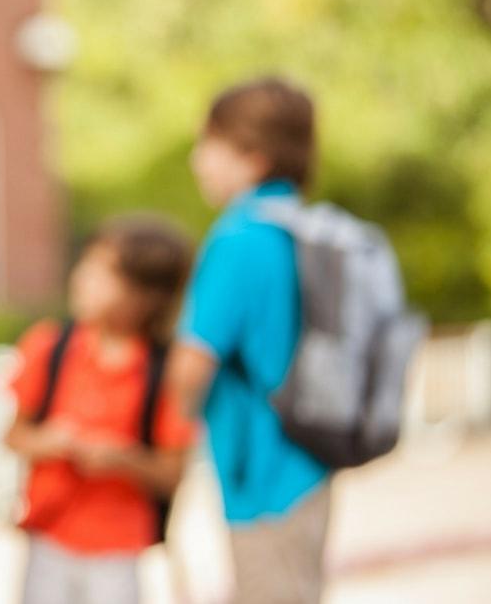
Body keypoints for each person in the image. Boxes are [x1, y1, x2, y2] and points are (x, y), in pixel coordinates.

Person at [167, 77, 331, 604]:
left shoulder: (239, 237)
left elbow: (190, 366)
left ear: (254, 157)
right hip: (306, 462)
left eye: (208, 146)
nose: (197, 162)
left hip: (261, 478)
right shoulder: (300, 226)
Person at [6, 216, 195, 604]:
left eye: (102, 273)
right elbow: (14, 435)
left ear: (145, 296)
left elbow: (173, 473)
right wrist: (50, 441)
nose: (81, 279)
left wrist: (122, 459)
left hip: (118, 547)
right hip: (48, 534)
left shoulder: (165, 372)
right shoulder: (50, 346)